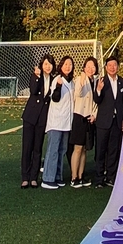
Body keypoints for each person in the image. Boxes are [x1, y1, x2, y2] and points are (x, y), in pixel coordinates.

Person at [93, 54, 123, 187]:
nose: (112, 68)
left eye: (114, 65)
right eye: (110, 65)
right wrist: (99, 90)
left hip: (117, 121)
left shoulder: (122, 82)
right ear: (106, 67)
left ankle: (111, 177)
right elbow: (97, 100)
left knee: (114, 150)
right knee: (101, 150)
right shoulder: (101, 81)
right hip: (103, 121)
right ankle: (99, 179)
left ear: (118, 67)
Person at [21, 52, 54, 187]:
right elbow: (33, 91)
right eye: (45, 64)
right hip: (30, 117)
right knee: (27, 147)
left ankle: (34, 177)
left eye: (50, 64)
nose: (47, 67)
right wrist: (37, 76)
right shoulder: (36, 76)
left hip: (42, 119)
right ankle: (25, 177)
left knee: (37, 148)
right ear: (41, 65)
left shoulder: (54, 79)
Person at [41, 56, 75, 189]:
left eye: (70, 64)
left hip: (67, 122)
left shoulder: (71, 82)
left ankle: (58, 176)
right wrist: (59, 86)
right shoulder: (57, 79)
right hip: (56, 121)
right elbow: (55, 98)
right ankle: (47, 178)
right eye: (65, 64)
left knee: (62, 149)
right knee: (53, 149)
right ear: (61, 66)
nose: (68, 66)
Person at [70, 56, 97, 188]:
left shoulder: (96, 81)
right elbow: (78, 94)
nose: (91, 69)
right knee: (78, 148)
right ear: (84, 67)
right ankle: (74, 177)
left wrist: (94, 115)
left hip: (89, 118)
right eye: (88, 66)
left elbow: (97, 101)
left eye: (93, 66)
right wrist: (81, 79)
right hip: (79, 116)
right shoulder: (80, 80)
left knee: (85, 149)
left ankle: (81, 176)